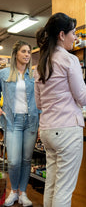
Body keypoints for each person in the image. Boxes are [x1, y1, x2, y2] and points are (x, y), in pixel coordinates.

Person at [34, 12, 86, 207]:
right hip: (67, 130)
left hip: (47, 130)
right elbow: (83, 97)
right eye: (73, 33)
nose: (76, 38)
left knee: (52, 185)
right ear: (62, 35)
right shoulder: (69, 60)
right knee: (64, 189)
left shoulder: (41, 64)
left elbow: (39, 104)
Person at [0, 41, 39, 206]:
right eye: (24, 51)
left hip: (31, 121)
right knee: (14, 161)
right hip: (12, 121)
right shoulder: (4, 73)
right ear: (16, 53)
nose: (27, 55)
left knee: (26, 159)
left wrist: (42, 119)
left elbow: (40, 98)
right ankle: (13, 191)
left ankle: (23, 193)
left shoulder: (34, 75)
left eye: (29, 52)